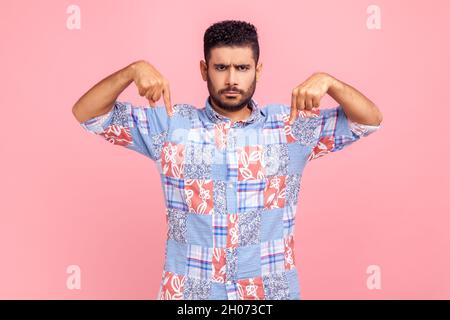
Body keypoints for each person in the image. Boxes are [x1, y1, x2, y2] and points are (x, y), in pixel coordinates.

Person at [72, 20, 383, 300]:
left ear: (258, 70)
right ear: (204, 70)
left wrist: (330, 82)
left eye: (242, 68)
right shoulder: (169, 125)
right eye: (221, 68)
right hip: (190, 296)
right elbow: (87, 113)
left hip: (269, 294)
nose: (232, 79)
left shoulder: (291, 127)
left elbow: (368, 121)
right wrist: (132, 70)